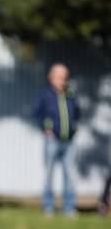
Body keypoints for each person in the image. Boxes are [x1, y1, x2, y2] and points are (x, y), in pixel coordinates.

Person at [33, 63, 80, 216]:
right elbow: (36, 114)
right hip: (52, 140)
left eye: (65, 77)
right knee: (49, 173)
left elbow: (78, 112)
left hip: (69, 140)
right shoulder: (45, 94)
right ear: (51, 77)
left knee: (70, 174)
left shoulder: (70, 93)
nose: (62, 80)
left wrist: (75, 126)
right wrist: (44, 128)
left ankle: (69, 208)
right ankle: (48, 207)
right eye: (59, 77)